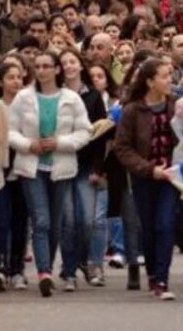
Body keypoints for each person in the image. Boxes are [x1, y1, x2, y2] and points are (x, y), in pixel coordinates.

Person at [8, 50, 92, 297]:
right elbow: (11, 131)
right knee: (41, 220)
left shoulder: (72, 98)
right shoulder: (23, 97)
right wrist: (28, 145)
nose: (42, 71)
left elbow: (85, 132)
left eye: (47, 66)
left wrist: (61, 143)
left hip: (61, 166)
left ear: (57, 70)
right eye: (38, 66)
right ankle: (44, 271)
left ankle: (50, 264)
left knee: (56, 223)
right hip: (31, 167)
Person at [114, 58, 180, 300]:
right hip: (144, 177)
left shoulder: (176, 106)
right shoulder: (132, 110)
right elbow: (123, 148)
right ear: (150, 82)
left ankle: (162, 279)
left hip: (171, 177)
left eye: (170, 75)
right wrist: (148, 169)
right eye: (164, 76)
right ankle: (153, 274)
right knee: (149, 228)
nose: (169, 80)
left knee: (165, 224)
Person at [59, 47, 109, 287]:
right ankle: (69, 271)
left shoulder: (93, 96)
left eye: (72, 61)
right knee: (68, 221)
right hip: (62, 163)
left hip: (86, 165)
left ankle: (83, 260)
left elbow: (102, 134)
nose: (69, 65)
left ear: (80, 66)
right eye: (64, 62)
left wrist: (98, 169)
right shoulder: (54, 95)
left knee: (87, 221)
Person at [0, 60, 30, 292]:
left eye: (20, 77)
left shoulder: (28, 106)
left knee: (20, 221)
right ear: (0, 81)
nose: (16, 82)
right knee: (0, 219)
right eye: (11, 77)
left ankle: (17, 269)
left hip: (22, 169)